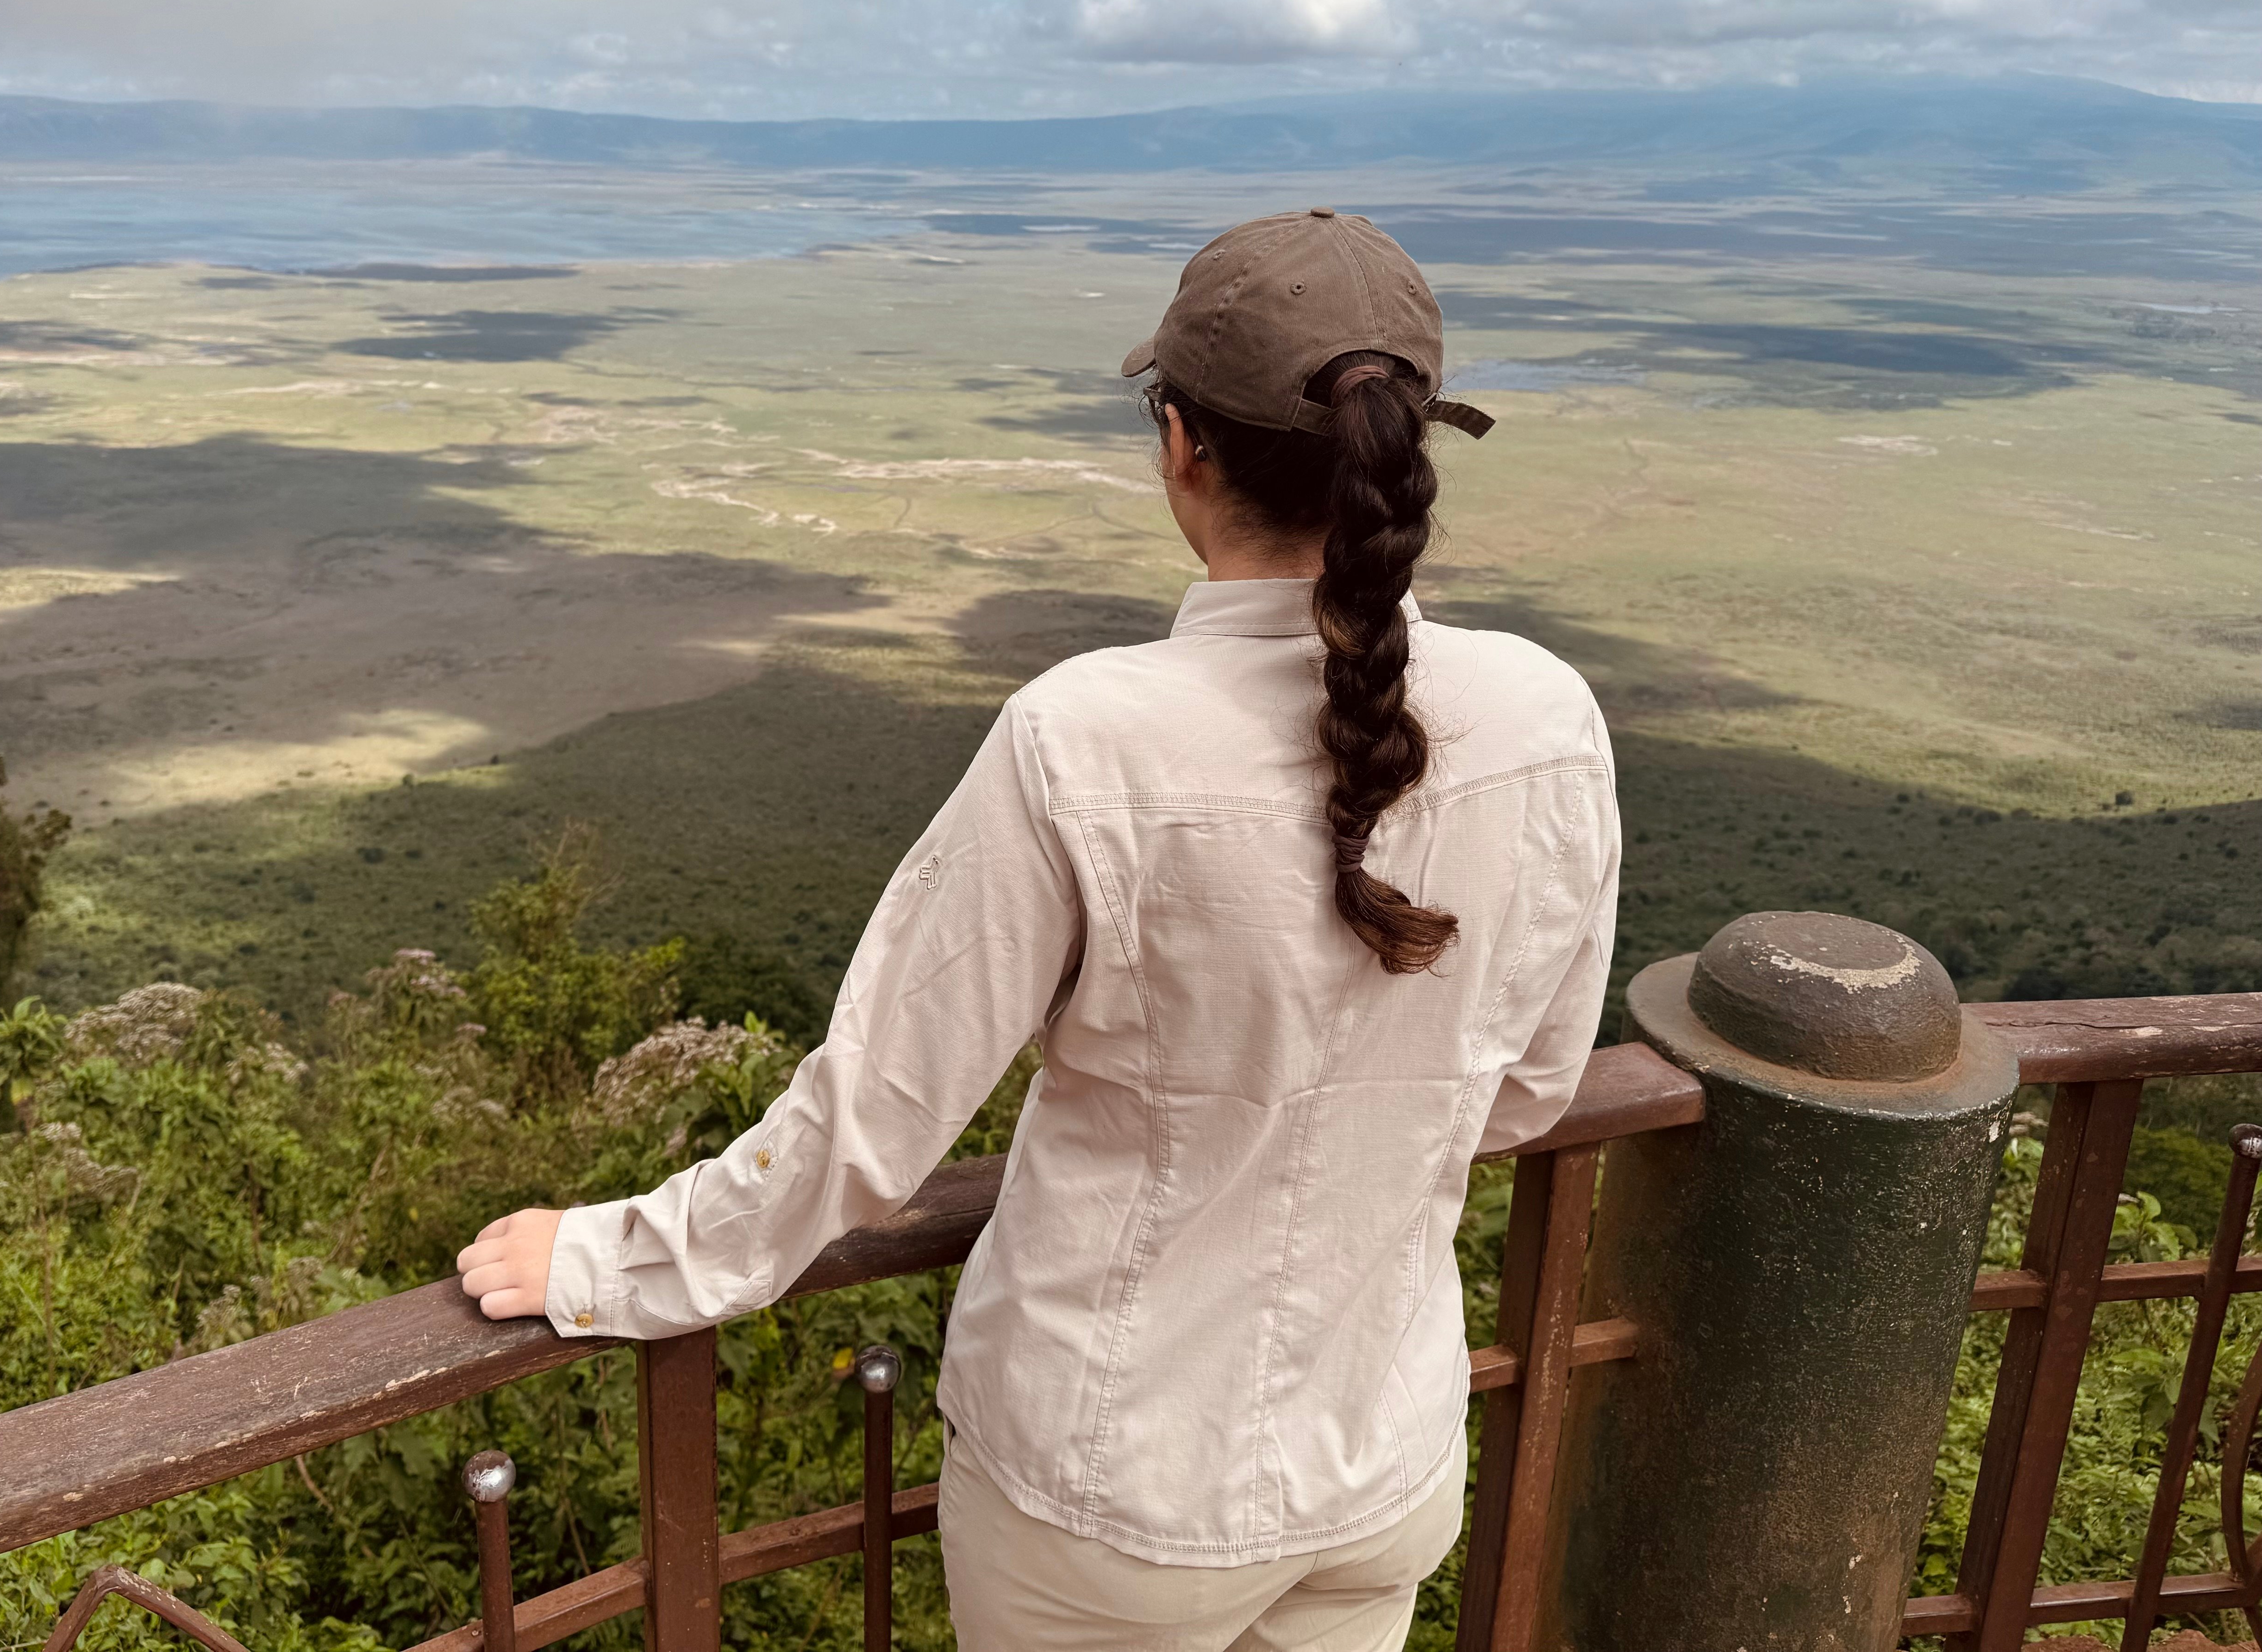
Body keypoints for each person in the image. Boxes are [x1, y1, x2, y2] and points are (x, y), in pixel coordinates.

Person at [459, 208, 1620, 1652]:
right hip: (1379, 1459)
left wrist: (608, 1260)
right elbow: (1528, 1089)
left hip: (1105, 1486)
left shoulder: (1082, 739)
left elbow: (873, 1118)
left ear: (1181, 445)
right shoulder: (1548, 717)